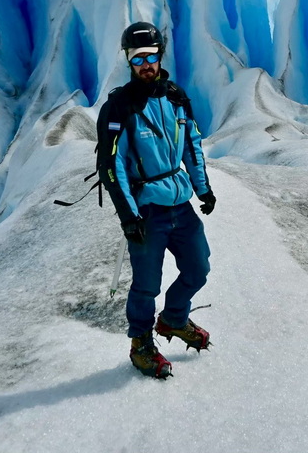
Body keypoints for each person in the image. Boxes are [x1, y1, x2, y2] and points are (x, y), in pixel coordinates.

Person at [97, 21, 216, 379]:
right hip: (147, 210)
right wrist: (128, 216)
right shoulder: (120, 107)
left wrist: (203, 189)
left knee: (199, 269)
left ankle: (174, 319)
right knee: (146, 284)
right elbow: (112, 165)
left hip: (180, 204)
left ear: (160, 56)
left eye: (150, 57)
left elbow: (192, 146)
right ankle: (141, 343)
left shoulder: (176, 97)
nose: (146, 65)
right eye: (138, 60)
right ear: (129, 63)